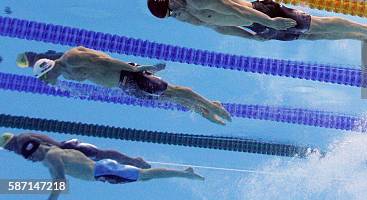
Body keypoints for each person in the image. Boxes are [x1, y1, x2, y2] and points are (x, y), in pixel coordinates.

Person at [29, 47, 231, 125]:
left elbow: (105, 61)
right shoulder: (66, 73)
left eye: (44, 79)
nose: (46, 83)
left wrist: (135, 68)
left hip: (127, 75)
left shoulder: (72, 58)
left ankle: (213, 107)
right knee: (170, 98)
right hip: (124, 86)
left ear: (48, 71)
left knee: (176, 91)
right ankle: (208, 109)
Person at [146, 0, 367, 41]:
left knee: (318, 25)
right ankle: (362, 35)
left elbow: (235, 10)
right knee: (312, 36)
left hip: (261, 12)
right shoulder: (183, 13)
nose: (173, 15)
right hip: (258, 25)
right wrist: (251, 38)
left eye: (171, 11)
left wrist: (270, 22)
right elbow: (220, 26)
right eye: (169, 16)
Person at [0, 134, 204, 200]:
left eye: (31, 156)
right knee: (144, 176)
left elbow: (60, 182)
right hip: (101, 170)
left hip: (101, 171)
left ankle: (185, 174)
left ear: (37, 149)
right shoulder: (51, 156)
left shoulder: (52, 155)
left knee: (144, 175)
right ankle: (184, 173)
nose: (31, 160)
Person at [1, 132, 150, 168]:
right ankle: (133, 162)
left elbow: (36, 150)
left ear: (10, 142)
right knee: (99, 160)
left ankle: (134, 161)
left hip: (69, 149)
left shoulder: (21, 140)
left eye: (8, 148)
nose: (9, 150)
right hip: (67, 153)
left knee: (100, 155)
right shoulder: (21, 144)